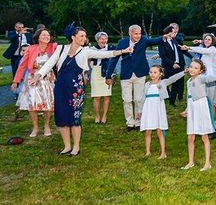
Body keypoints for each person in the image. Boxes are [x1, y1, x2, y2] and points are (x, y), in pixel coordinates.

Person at [33, 25, 133, 156]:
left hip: (76, 89)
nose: (84, 38)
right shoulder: (60, 48)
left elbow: (104, 54)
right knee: (62, 117)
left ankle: (76, 147)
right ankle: (67, 146)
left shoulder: (85, 51)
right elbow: (50, 63)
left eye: (85, 36)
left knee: (74, 118)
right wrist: (38, 75)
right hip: (60, 88)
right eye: (81, 36)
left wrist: (122, 51)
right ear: (73, 37)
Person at [105, 25, 166, 131]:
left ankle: (138, 122)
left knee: (138, 99)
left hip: (140, 73)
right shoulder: (122, 43)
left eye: (139, 33)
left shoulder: (143, 40)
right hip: (126, 74)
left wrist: (164, 37)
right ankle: (130, 123)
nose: (138, 36)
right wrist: (108, 75)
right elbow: (114, 59)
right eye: (136, 33)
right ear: (130, 33)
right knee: (127, 99)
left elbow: (154, 41)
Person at [11, 27, 57, 137]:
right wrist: (15, 81)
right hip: (32, 80)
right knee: (32, 104)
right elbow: (22, 66)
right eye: (43, 35)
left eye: (48, 35)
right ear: (38, 37)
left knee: (48, 104)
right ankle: (35, 127)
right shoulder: (31, 49)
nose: (46, 37)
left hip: (47, 79)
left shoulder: (53, 47)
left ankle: (46, 125)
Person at [138, 65, 185, 159]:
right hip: (148, 108)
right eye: (151, 72)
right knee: (148, 131)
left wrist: (184, 72)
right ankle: (147, 152)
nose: (152, 74)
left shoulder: (162, 83)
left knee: (159, 130)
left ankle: (163, 153)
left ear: (161, 74)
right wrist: (140, 110)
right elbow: (143, 97)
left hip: (158, 108)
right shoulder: (147, 84)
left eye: (155, 72)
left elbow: (173, 78)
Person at [180, 59, 216, 171]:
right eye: (191, 67)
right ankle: (190, 162)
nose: (192, 69)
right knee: (190, 136)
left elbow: (207, 78)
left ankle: (207, 163)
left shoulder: (200, 78)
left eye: (196, 68)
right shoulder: (189, 81)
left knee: (204, 136)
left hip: (201, 107)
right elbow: (189, 97)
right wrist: (187, 109)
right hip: (192, 108)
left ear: (200, 71)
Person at [181, 34, 216, 130]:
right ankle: (200, 120)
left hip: (211, 80)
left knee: (211, 102)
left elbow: (203, 50)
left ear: (212, 41)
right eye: (205, 39)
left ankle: (212, 123)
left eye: (209, 39)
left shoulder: (212, 49)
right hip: (203, 80)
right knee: (202, 100)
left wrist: (189, 47)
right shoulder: (204, 52)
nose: (207, 40)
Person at [158, 25, 189, 108]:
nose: (175, 33)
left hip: (177, 65)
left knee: (176, 84)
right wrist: (172, 64)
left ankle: (172, 102)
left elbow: (179, 50)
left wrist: (187, 50)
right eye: (174, 32)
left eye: (175, 32)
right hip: (168, 66)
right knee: (164, 82)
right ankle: (161, 98)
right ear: (168, 33)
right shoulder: (162, 43)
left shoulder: (174, 40)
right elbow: (163, 56)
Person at [90, 32, 114, 124]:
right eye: (102, 39)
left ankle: (104, 115)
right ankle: (97, 116)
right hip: (96, 72)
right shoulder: (92, 49)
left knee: (106, 96)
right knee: (96, 97)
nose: (104, 40)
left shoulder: (110, 48)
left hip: (107, 72)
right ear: (97, 40)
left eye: (105, 39)